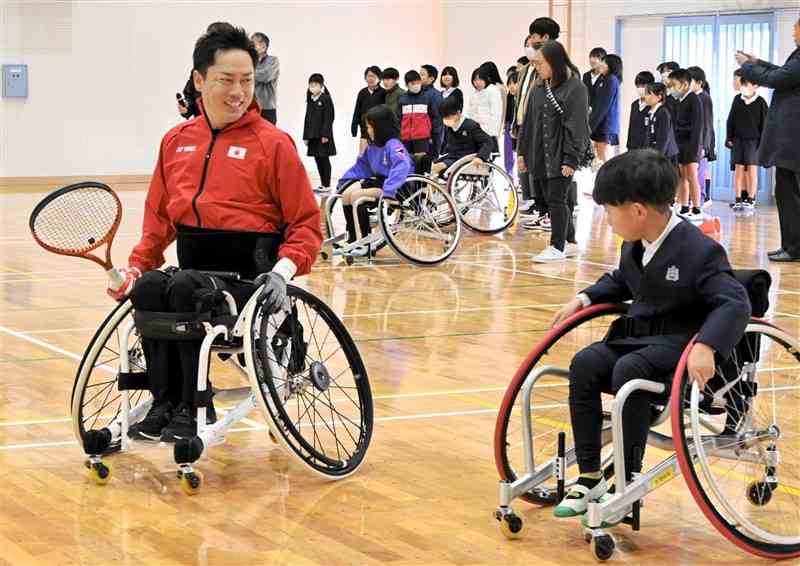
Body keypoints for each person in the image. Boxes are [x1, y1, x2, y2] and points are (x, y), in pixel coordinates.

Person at [108, 24, 322, 442]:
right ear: (200, 80)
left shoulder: (274, 145)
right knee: (151, 287)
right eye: (227, 80)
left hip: (250, 282)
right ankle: (165, 401)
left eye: (247, 81)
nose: (240, 92)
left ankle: (193, 406)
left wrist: (283, 270)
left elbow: (306, 224)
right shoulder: (176, 142)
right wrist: (136, 269)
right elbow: (158, 221)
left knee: (187, 288)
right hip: (196, 272)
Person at [550, 149, 750, 521]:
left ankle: (628, 480)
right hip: (640, 338)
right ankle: (591, 475)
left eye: (610, 210)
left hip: (680, 344)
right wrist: (584, 297)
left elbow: (735, 302)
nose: (606, 219)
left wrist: (707, 345)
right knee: (586, 362)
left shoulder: (699, 250)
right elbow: (622, 280)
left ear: (638, 211)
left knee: (631, 369)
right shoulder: (635, 245)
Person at [518, 41, 590, 263]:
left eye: (540, 63)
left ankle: (557, 246)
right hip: (540, 154)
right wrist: (522, 153)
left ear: (554, 62)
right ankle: (570, 242)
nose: (537, 68)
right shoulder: (540, 87)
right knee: (550, 198)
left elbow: (577, 126)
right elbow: (528, 122)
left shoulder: (575, 87)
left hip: (561, 154)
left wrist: (571, 158)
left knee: (557, 199)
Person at [736, 18, 800, 261]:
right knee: (787, 192)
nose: (794, 33)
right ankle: (791, 245)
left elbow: (776, 79)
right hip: (791, 141)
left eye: (796, 29)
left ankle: (794, 248)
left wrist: (747, 68)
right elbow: (781, 72)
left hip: (793, 140)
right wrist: (757, 62)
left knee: (789, 193)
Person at [337, 105, 414, 255]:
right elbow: (360, 167)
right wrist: (344, 182)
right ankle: (353, 238)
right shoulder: (372, 146)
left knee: (356, 196)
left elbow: (402, 165)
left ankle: (366, 243)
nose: (368, 130)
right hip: (378, 181)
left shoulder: (394, 144)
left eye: (370, 127)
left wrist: (389, 190)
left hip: (396, 186)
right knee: (346, 194)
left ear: (381, 127)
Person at [514, 37, 548, 227]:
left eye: (532, 44)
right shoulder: (526, 70)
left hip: (542, 128)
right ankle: (538, 205)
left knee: (543, 171)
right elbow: (522, 97)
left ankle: (546, 211)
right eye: (526, 44)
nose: (529, 48)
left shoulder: (559, 76)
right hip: (524, 121)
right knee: (527, 166)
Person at [725, 74, 768, 210]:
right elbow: (730, 119)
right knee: (738, 170)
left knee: (751, 170)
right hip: (738, 140)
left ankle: (751, 199)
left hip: (753, 141)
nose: (744, 87)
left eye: (747, 84)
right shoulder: (737, 99)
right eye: (742, 84)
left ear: (756, 86)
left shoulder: (761, 102)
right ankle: (738, 198)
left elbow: (765, 125)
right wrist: (729, 137)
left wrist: (762, 144)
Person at [669, 68, 704, 218]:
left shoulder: (694, 100)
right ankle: (683, 206)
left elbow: (697, 127)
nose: (671, 88)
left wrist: (694, 149)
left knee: (692, 176)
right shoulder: (679, 101)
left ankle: (696, 208)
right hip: (680, 144)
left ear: (684, 85)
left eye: (673, 85)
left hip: (691, 145)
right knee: (682, 176)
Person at [431, 93, 495, 176]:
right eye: (444, 118)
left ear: (458, 113)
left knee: (438, 167)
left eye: (448, 117)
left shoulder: (470, 125)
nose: (446, 120)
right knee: (430, 166)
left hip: (465, 159)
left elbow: (488, 141)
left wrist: (480, 157)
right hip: (452, 157)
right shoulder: (450, 126)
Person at [687, 66, 716, 208]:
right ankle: (692, 201)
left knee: (699, 174)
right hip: (692, 142)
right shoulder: (691, 98)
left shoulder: (704, 98)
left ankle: (700, 201)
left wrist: (705, 146)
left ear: (699, 83)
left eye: (690, 80)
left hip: (701, 144)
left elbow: (707, 124)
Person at [303, 73, 337, 193]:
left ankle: (327, 184)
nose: (313, 87)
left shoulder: (325, 99)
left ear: (321, 85)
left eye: (315, 84)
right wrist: (306, 137)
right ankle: (323, 184)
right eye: (311, 84)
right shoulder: (310, 100)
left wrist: (325, 135)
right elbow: (307, 120)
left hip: (323, 136)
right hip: (313, 136)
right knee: (317, 159)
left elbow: (329, 118)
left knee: (324, 159)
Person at [397, 70, 440, 158]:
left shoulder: (427, 97)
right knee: (403, 160)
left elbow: (434, 117)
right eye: (413, 83)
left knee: (420, 162)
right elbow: (398, 118)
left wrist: (433, 135)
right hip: (404, 138)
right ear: (406, 85)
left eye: (418, 82)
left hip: (422, 137)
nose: (416, 85)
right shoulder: (402, 99)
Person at [589, 54, 623, 163]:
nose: (600, 64)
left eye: (603, 62)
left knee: (601, 154)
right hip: (601, 123)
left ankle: (605, 178)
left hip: (605, 124)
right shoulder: (604, 79)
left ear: (610, 65)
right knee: (598, 153)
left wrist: (590, 126)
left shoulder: (611, 80)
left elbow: (603, 106)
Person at [467, 66, 503, 153]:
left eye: (480, 79)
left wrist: (490, 133)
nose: (477, 83)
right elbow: (470, 112)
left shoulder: (493, 90)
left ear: (486, 79)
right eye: (475, 80)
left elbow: (496, 114)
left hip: (488, 133)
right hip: (475, 133)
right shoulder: (474, 93)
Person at [351, 66, 386, 155]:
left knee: (377, 155)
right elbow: (357, 110)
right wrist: (354, 126)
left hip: (379, 130)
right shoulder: (362, 92)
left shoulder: (383, 93)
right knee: (362, 155)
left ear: (379, 78)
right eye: (368, 76)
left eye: (373, 76)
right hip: (364, 129)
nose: (370, 78)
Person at [643, 83, 678, 162]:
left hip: (665, 156)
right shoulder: (651, 112)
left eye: (649, 94)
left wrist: (657, 158)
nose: (646, 96)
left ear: (659, 97)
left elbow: (664, 139)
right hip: (654, 155)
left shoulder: (663, 113)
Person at [251, 32, 280, 124]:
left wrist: (249, 74)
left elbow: (266, 76)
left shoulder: (273, 60)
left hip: (267, 108)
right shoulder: (250, 61)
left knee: (268, 137)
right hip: (251, 107)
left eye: (255, 43)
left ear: (264, 46)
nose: (252, 45)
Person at [626, 71, 655, 151]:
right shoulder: (634, 104)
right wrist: (629, 146)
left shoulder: (653, 105)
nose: (640, 88)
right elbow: (631, 127)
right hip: (633, 147)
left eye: (643, 85)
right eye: (638, 85)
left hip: (647, 148)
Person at [421, 64, 445, 156]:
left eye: (422, 74)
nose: (419, 77)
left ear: (431, 79)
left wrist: (431, 136)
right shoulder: (417, 93)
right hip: (418, 136)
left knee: (430, 163)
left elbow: (437, 119)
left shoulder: (435, 95)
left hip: (430, 137)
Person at [504, 71, 519, 176]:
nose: (511, 86)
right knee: (509, 153)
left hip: (520, 127)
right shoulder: (508, 97)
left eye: (514, 83)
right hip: (509, 126)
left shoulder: (525, 98)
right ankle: (510, 176)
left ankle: (520, 178)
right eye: (509, 84)